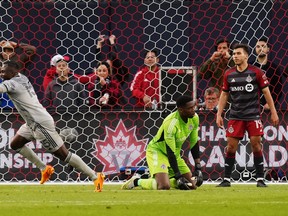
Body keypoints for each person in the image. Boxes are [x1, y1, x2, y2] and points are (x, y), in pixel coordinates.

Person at [0, 60, 104, 192]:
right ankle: (44, 168)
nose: (1, 73)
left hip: (40, 124)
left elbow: (2, 88)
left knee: (64, 156)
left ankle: (95, 176)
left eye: (4, 71)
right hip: (32, 122)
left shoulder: (13, 83)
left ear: (14, 72)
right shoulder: (22, 77)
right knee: (15, 144)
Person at [216, 43, 279, 187]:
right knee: (231, 147)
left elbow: (266, 92)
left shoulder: (256, 72)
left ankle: (260, 179)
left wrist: (274, 112)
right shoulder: (228, 74)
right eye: (234, 54)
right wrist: (219, 114)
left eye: (238, 53)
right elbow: (224, 95)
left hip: (253, 115)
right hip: (235, 116)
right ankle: (226, 179)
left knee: (256, 145)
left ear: (246, 55)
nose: (235, 56)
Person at [121, 95, 203, 190]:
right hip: (158, 151)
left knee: (192, 185)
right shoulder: (171, 123)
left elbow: (194, 143)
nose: (193, 110)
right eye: (190, 108)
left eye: (193, 106)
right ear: (181, 110)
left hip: (174, 154)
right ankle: (136, 181)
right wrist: (178, 175)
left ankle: (162, 178)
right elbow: (170, 151)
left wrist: (198, 167)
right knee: (164, 186)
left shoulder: (195, 118)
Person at [253, 37, 286, 109]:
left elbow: (278, 89)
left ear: (268, 49)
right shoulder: (250, 66)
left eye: (263, 46)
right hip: (252, 106)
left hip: (268, 108)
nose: (260, 48)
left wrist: (270, 104)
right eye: (258, 46)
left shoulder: (274, 68)